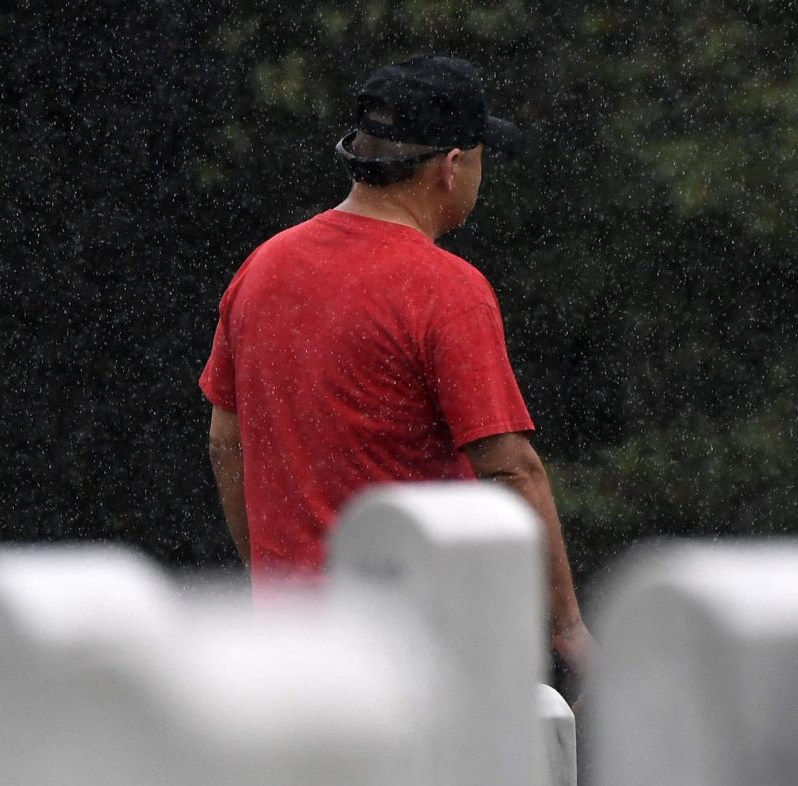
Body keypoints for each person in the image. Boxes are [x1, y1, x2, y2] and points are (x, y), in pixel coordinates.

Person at [199, 54, 593, 678]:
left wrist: (270, 586)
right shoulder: (446, 290)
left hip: (291, 653)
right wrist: (566, 625)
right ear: (452, 165)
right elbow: (511, 470)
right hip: (419, 653)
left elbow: (226, 440)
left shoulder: (263, 268)